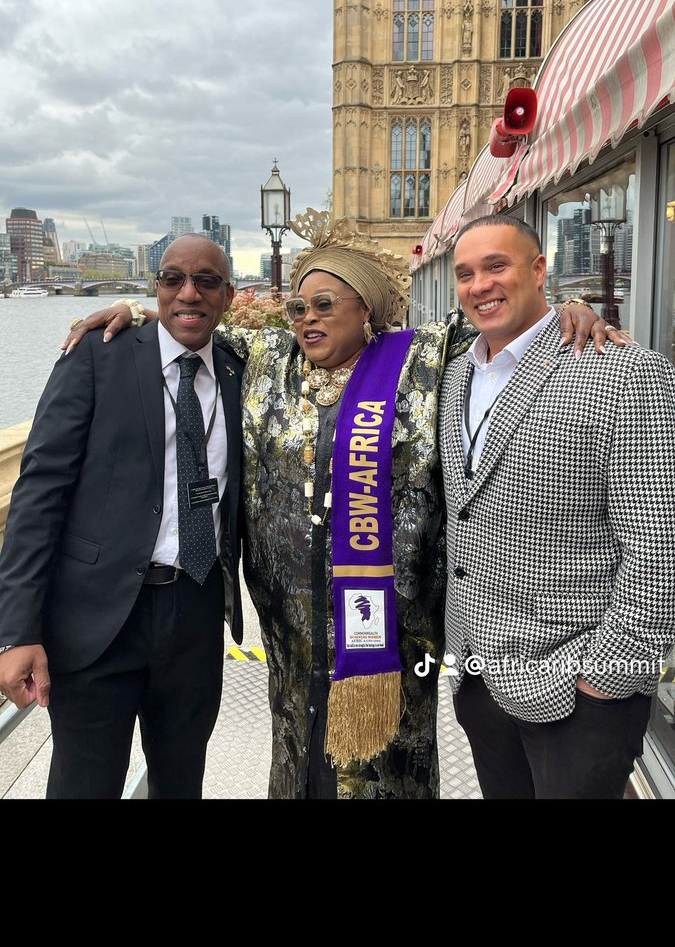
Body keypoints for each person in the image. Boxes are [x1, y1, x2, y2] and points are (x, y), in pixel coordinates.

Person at [59, 209, 621, 800]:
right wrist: (140, 311)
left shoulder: (422, 363)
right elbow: (195, 321)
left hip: (392, 636)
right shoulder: (269, 362)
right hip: (291, 633)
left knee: (379, 774)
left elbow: (504, 317)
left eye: (326, 305)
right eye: (299, 308)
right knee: (301, 767)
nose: (307, 319)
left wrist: (572, 311)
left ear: (368, 311)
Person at [439, 213, 675, 800]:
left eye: (498, 266)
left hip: (580, 689)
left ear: (540, 270)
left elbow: (657, 546)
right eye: (466, 273)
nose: (480, 285)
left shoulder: (624, 373)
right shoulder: (453, 375)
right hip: (479, 675)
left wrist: (607, 675)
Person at [0, 235, 244, 799]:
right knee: (83, 786)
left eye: (206, 281)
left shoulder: (238, 371)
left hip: (195, 614)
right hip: (96, 618)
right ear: (153, 288)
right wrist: (17, 631)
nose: (189, 293)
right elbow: (39, 493)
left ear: (229, 296)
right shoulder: (96, 355)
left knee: (181, 783)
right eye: (172, 280)